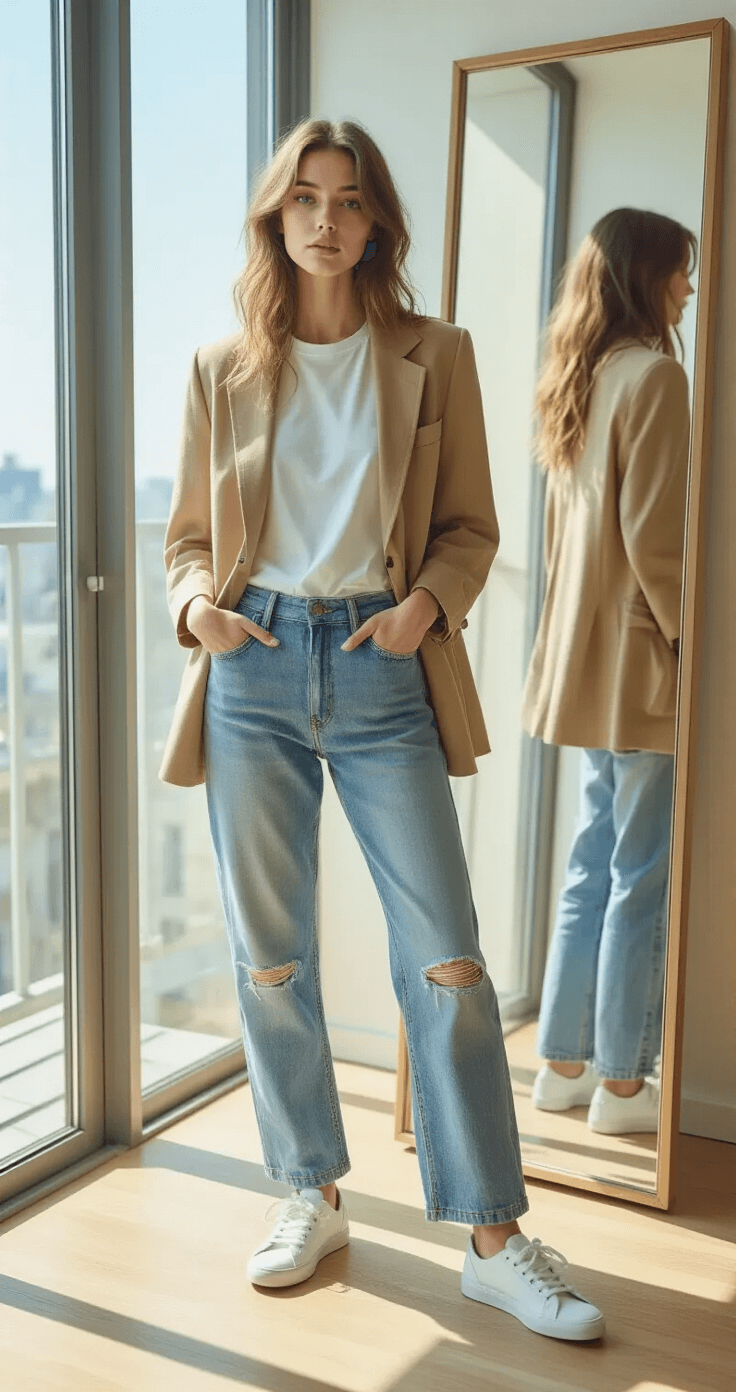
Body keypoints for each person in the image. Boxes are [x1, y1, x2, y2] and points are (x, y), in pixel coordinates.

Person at [161, 117, 604, 1342]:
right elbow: (188, 536)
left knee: (447, 959)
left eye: (348, 200)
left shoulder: (433, 352)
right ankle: (308, 1190)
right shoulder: (220, 366)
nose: (324, 219)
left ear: (376, 223)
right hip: (250, 664)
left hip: (376, 665)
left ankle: (492, 1237)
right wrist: (196, 605)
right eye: (303, 197)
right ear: (274, 216)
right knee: (271, 955)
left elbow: (470, 524)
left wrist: (423, 607)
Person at [523, 208, 695, 1135]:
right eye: (681, 271)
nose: (691, 289)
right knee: (640, 873)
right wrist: (691, 649)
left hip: (584, 664)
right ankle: (624, 1086)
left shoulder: (577, 380)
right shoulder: (658, 378)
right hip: (642, 665)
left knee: (593, 863)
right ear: (645, 275)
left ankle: (561, 1066)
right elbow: (657, 544)